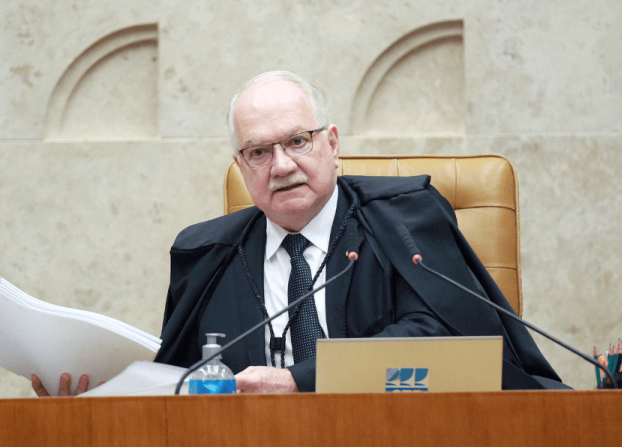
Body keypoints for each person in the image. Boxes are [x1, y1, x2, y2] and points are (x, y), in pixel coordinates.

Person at [33, 70, 565, 396]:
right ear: (241, 167)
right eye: (258, 152)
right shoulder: (206, 255)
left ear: (332, 144)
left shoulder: (405, 219)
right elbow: (178, 386)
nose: (282, 165)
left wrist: (300, 380)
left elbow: (446, 345)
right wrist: (96, 399)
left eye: (297, 141)